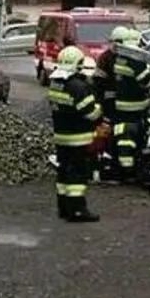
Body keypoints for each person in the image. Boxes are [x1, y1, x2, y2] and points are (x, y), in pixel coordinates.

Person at [48, 45, 103, 223]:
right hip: (77, 138)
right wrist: (100, 108)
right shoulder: (78, 86)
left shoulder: (55, 83)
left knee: (64, 173)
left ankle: (64, 207)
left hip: (61, 136)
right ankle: (78, 210)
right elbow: (90, 113)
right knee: (77, 176)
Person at [110, 28, 150, 182]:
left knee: (123, 140)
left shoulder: (121, 58)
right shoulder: (135, 59)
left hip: (122, 106)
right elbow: (146, 81)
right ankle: (130, 171)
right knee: (133, 139)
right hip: (135, 107)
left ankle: (123, 169)